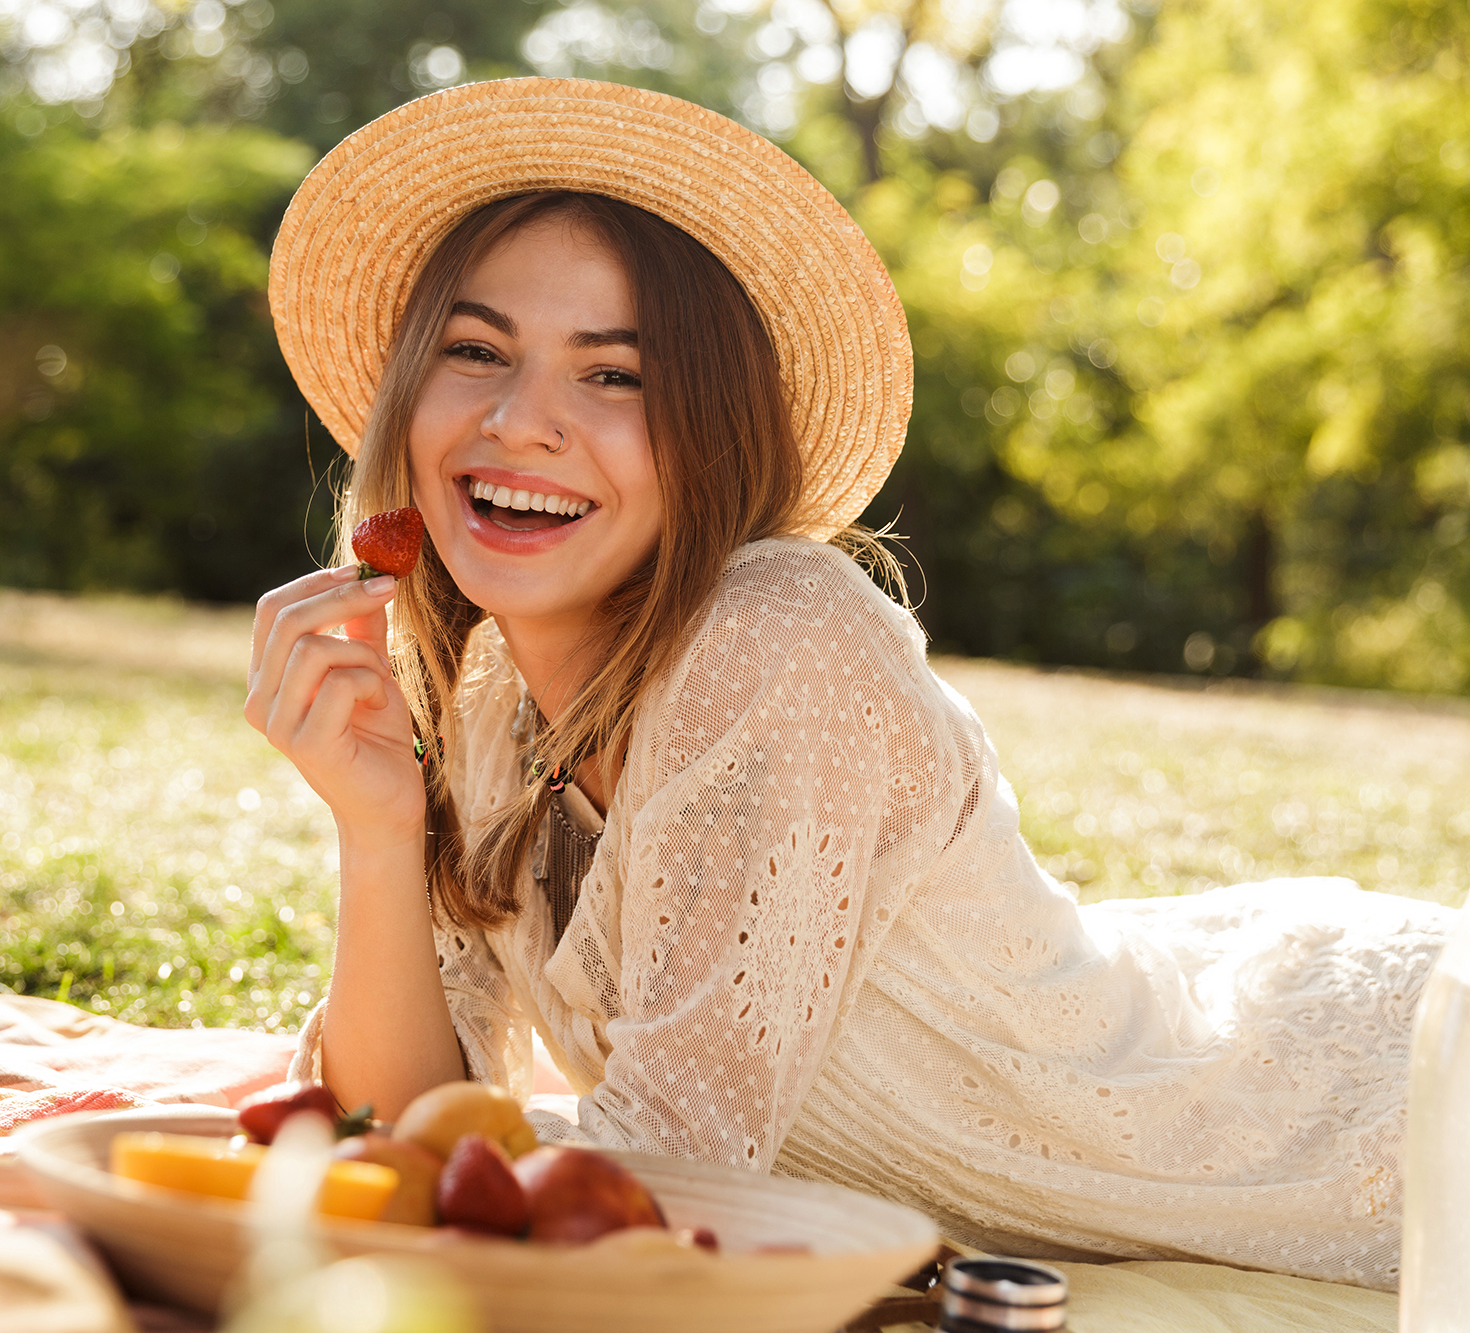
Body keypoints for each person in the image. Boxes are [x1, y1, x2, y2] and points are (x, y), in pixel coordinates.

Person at [242, 78, 1453, 1291]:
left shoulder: (777, 638)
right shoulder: (494, 701)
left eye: (614, 375)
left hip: (1367, 1109)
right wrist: (376, 827)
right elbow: (408, 1136)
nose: (520, 420)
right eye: (474, 351)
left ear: (712, 431)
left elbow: (650, 1193)